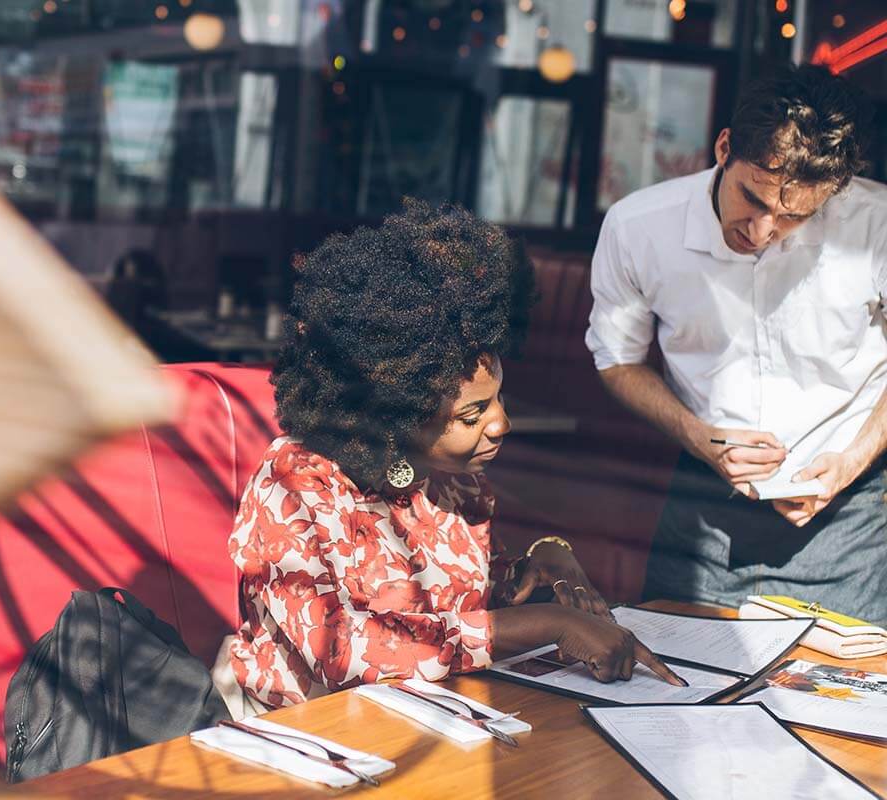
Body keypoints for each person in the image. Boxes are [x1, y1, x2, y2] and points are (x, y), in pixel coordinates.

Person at [227, 199, 684, 710]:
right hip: (307, 739)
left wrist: (537, 563)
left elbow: (464, 598)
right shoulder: (295, 483)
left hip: (432, 722)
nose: (501, 424)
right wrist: (547, 624)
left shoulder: (454, 480)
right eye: (473, 415)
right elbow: (336, 650)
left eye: (500, 398)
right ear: (394, 413)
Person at [586, 64, 887, 623]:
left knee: (842, 703)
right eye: (753, 198)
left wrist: (847, 464)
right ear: (724, 147)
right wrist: (698, 437)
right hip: (701, 514)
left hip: (847, 522)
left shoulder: (877, 226)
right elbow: (618, 360)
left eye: (795, 216)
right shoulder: (637, 227)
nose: (762, 230)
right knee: (672, 692)